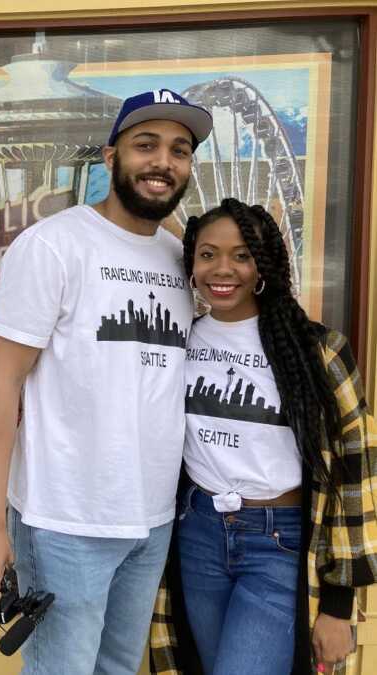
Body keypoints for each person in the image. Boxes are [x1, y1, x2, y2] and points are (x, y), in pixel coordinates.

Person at [0, 89, 212, 675]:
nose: (162, 162)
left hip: (151, 518)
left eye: (179, 150)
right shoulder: (53, 245)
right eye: (145, 145)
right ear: (109, 157)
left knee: (118, 669)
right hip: (65, 519)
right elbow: (0, 388)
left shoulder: (180, 257)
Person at [149, 198, 377, 675]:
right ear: (191, 264)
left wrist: (338, 603)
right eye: (208, 254)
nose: (222, 269)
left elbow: (357, 472)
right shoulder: (178, 342)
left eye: (242, 254)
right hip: (199, 533)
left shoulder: (317, 351)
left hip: (281, 541)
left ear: (263, 264)